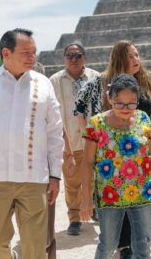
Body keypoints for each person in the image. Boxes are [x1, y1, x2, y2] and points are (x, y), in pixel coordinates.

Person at [0, 28, 64, 259]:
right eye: (26, 52)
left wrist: (55, 174)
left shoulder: (44, 84)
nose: (32, 57)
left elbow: (55, 132)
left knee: (35, 248)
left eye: (34, 52)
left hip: (34, 179)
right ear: (6, 53)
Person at [73, 40, 151, 259]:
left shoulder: (146, 84)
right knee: (109, 242)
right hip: (111, 185)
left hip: (141, 181)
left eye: (131, 103)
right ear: (110, 98)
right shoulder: (99, 87)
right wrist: (90, 135)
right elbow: (79, 109)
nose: (136, 60)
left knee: (143, 241)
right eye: (131, 56)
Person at [49, 42, 100, 240]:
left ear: (85, 58)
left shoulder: (96, 78)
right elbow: (53, 114)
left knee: (96, 179)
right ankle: (74, 217)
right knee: (72, 182)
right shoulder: (55, 81)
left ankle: (93, 208)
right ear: (64, 59)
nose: (73, 59)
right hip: (69, 140)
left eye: (78, 55)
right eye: (69, 55)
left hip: (94, 140)